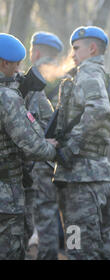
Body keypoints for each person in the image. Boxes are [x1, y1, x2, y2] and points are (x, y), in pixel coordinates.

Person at [53, 26, 110, 260]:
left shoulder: (87, 72)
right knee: (101, 248)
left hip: (80, 179)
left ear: (92, 49)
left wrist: (70, 147)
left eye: (76, 48)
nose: (72, 54)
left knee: (77, 247)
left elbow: (99, 109)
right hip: (99, 172)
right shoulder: (106, 77)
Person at [0, 33, 56, 259]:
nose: (19, 69)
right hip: (6, 194)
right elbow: (32, 145)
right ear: (4, 63)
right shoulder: (7, 97)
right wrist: (52, 148)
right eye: (16, 64)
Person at [24, 32, 64, 260]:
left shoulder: (33, 81)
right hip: (61, 157)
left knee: (44, 212)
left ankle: (48, 255)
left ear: (35, 52)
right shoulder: (67, 77)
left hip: (39, 160)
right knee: (60, 212)